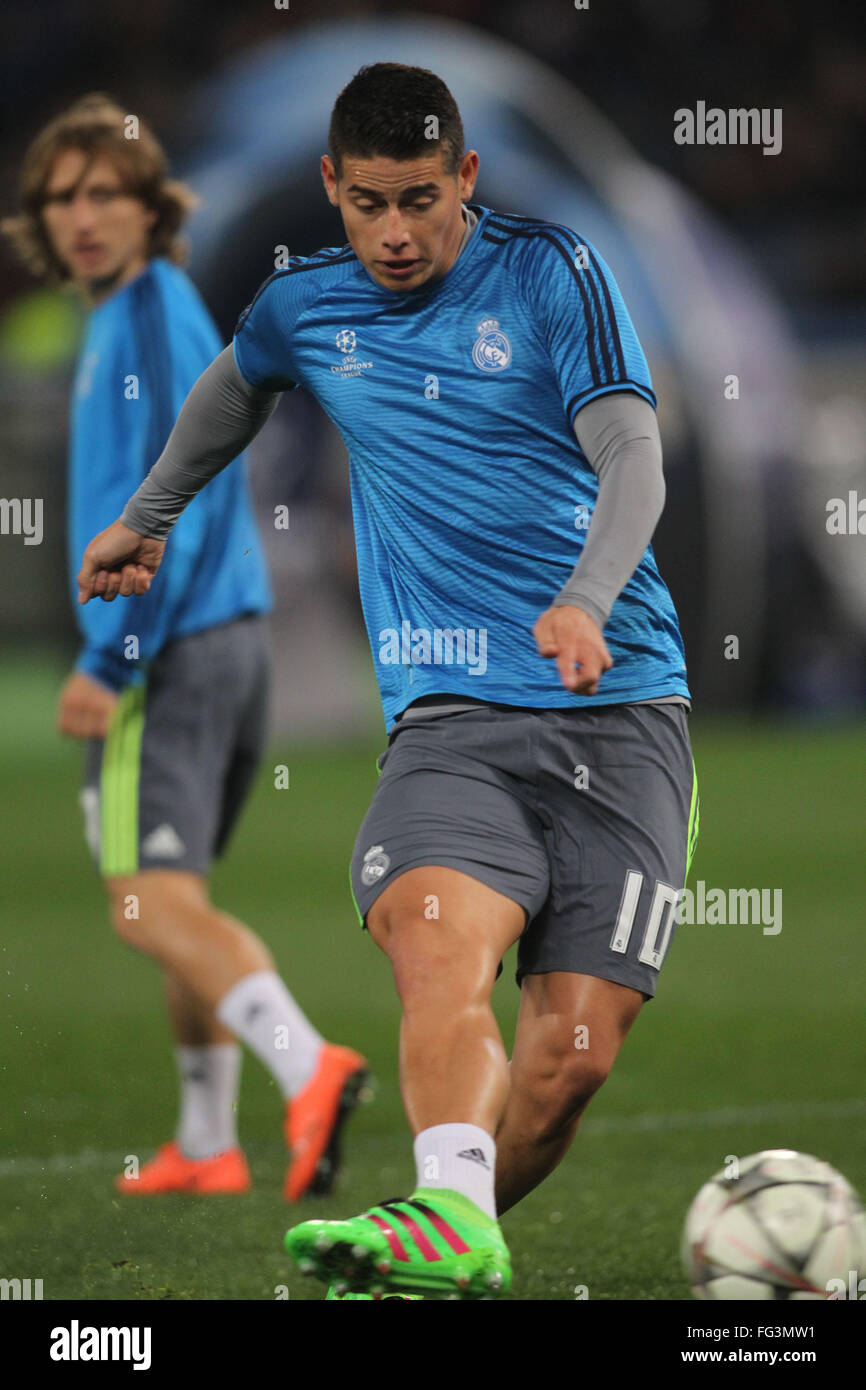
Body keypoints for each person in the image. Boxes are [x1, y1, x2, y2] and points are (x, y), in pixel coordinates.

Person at [74, 65, 699, 1296]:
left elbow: (631, 449)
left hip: (619, 704)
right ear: (332, 189)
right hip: (448, 717)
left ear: (465, 176)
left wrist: (581, 597)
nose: (397, 231)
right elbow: (234, 385)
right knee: (433, 942)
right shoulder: (304, 304)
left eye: (420, 197)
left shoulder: (549, 271)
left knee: (567, 1063)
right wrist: (149, 515)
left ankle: (445, 1220)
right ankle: (448, 1223)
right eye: (369, 203)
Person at [3, 93, 366, 1203]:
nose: (82, 215)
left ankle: (310, 1068)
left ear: (151, 205)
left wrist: (108, 657)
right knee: (179, 896)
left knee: (144, 903)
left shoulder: (151, 312)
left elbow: (188, 495)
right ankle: (207, 1137)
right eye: (61, 198)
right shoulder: (136, 311)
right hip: (223, 639)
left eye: (105, 192)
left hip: (175, 647)